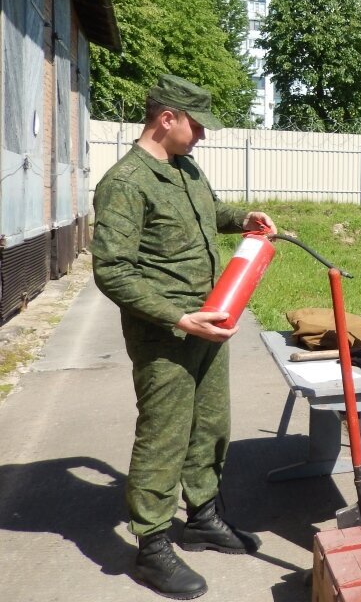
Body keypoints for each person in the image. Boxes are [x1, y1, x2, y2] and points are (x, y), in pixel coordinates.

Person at [91, 75, 277, 600]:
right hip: (165, 334)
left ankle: (202, 517)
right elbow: (113, 271)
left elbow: (204, 216)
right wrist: (177, 317)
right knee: (164, 434)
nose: (203, 136)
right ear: (166, 118)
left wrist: (243, 218)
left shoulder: (185, 167)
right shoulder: (126, 182)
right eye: (196, 125)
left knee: (211, 423)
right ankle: (150, 546)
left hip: (210, 321)